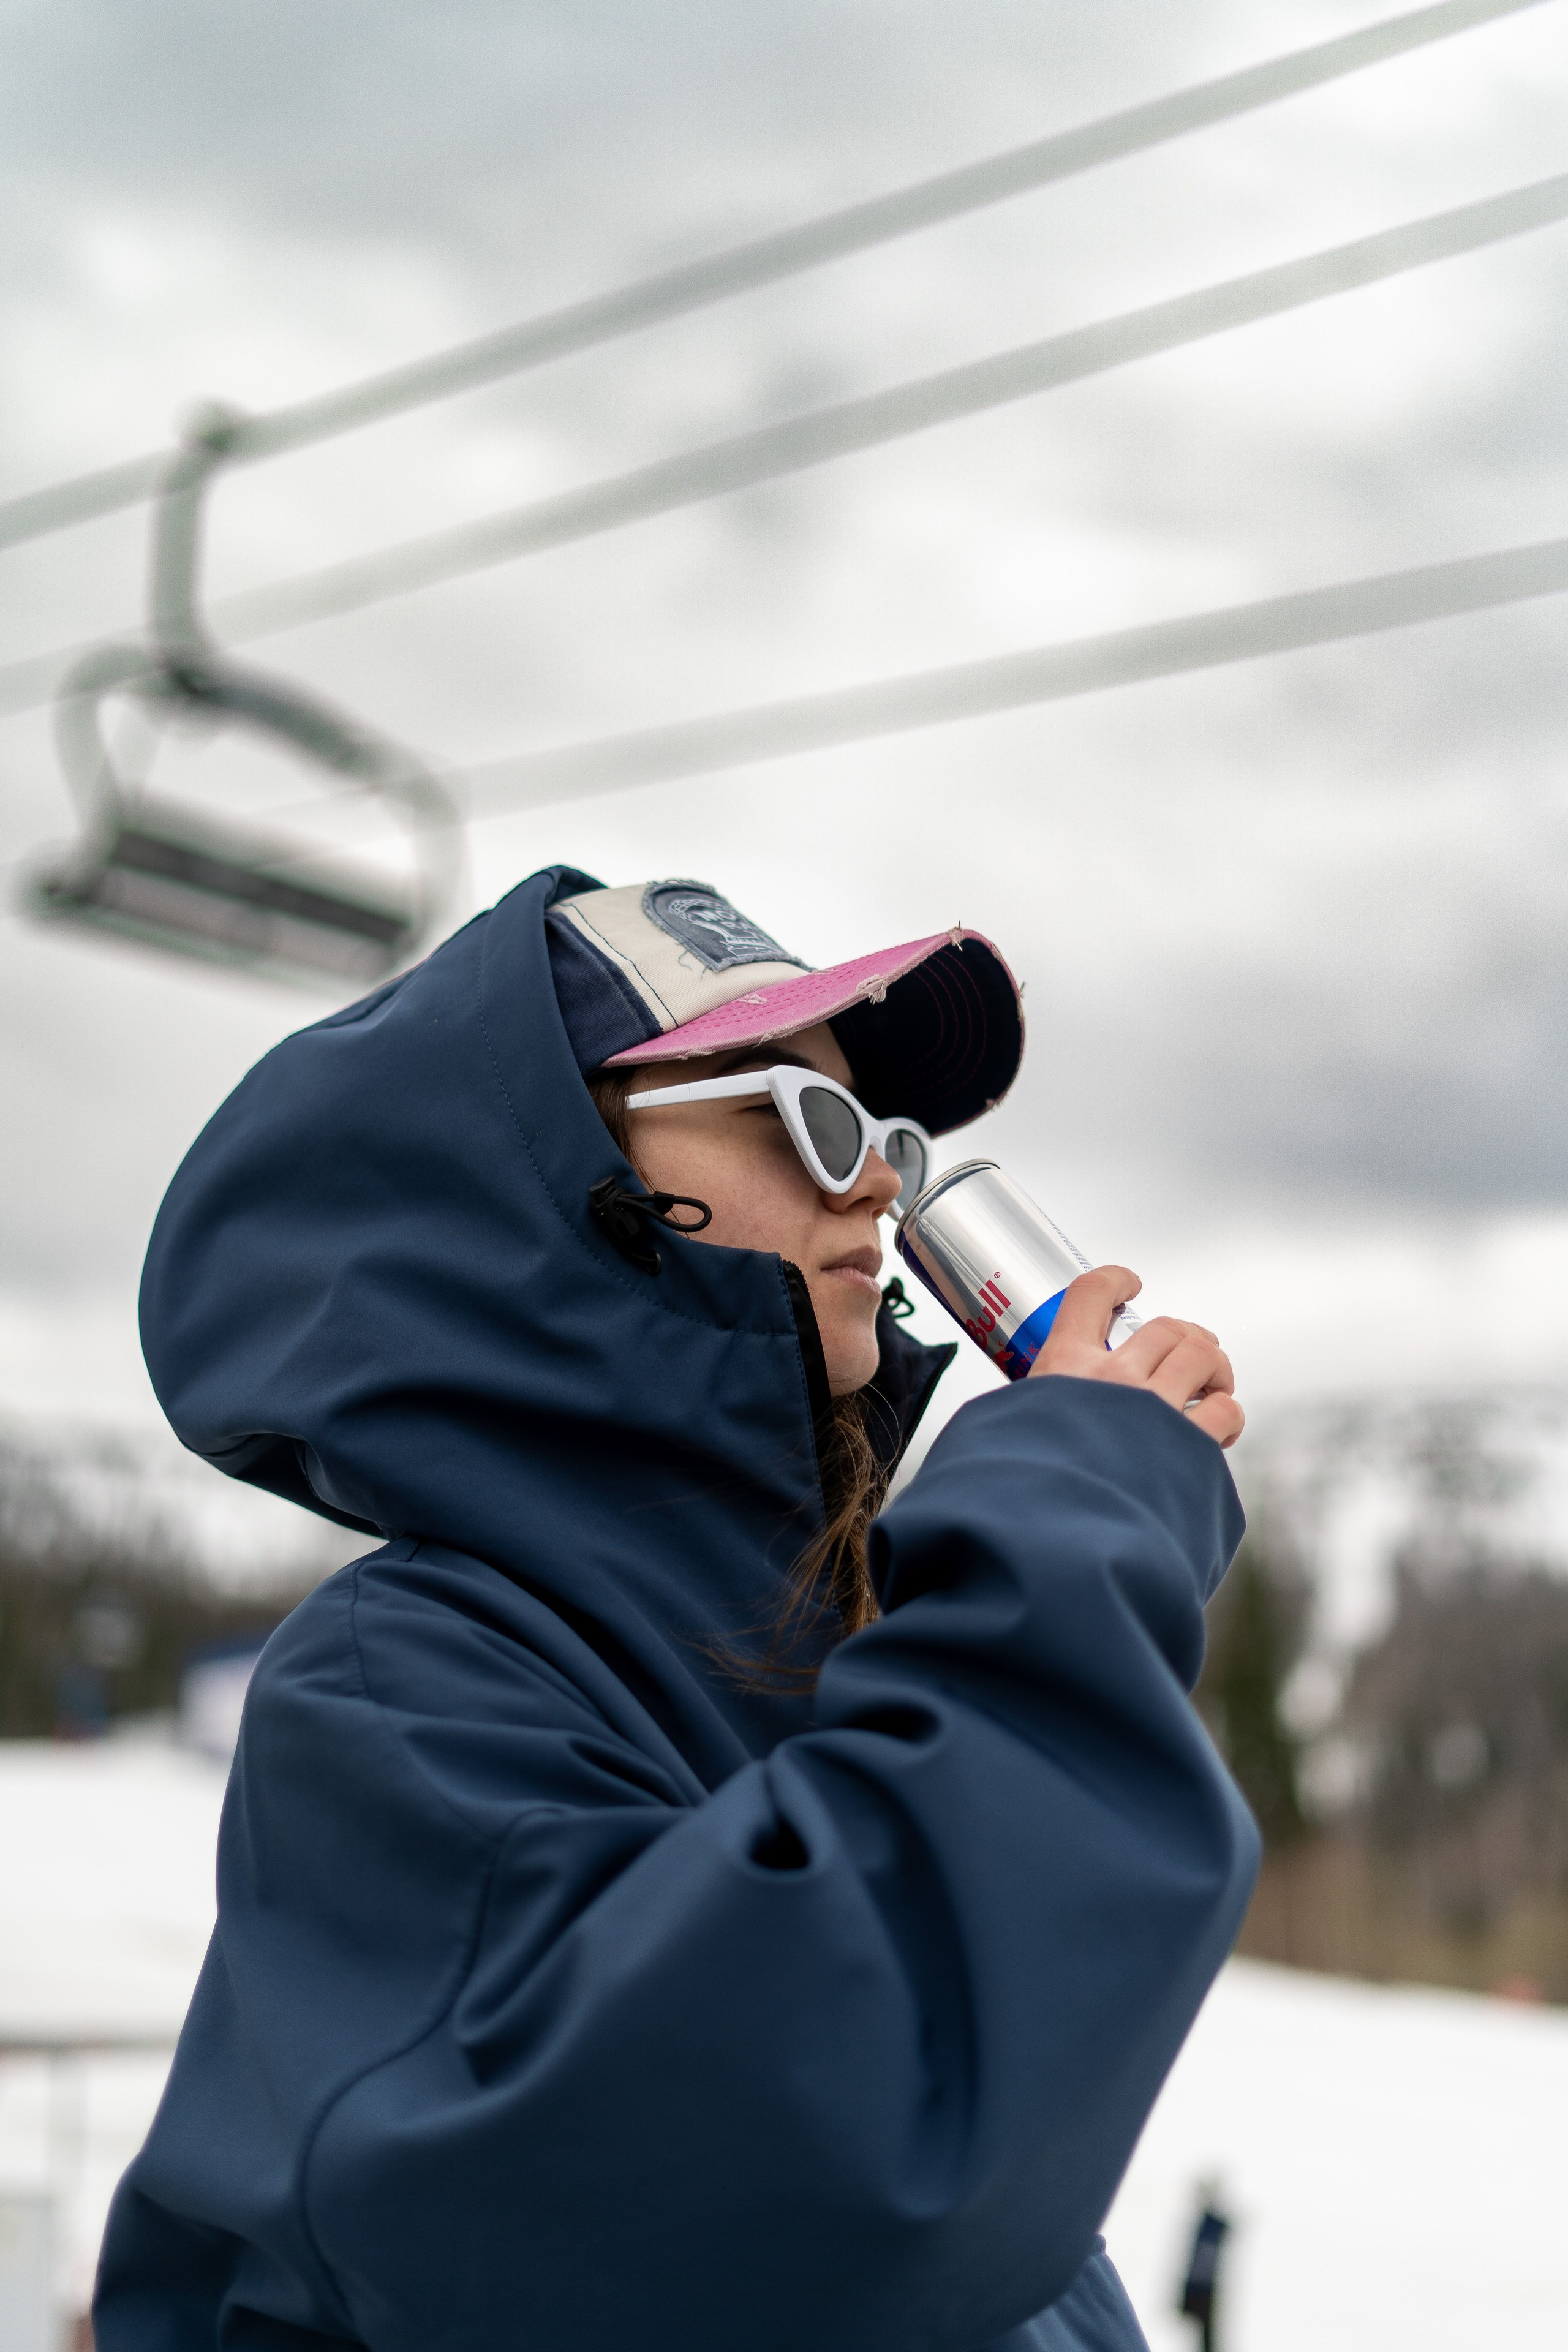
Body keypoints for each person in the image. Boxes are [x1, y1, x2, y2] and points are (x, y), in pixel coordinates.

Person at [96, 867, 1256, 2352]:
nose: (875, 1184)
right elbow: (817, 2168)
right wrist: (1070, 1525)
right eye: (801, 1115)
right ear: (567, 1188)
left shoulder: (817, 1677)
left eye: (882, 1136)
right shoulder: (407, 1687)